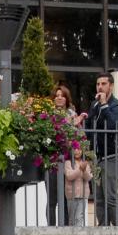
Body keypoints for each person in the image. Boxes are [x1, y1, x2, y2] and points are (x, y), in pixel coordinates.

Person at [84, 72, 118, 226]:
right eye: (98, 84)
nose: (100, 87)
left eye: (103, 84)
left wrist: (104, 105)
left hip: (113, 156)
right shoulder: (94, 105)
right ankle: (103, 228)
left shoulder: (117, 106)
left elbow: (113, 125)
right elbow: (89, 128)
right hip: (97, 157)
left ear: (111, 86)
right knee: (99, 198)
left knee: (110, 197)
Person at [45, 84, 77, 226]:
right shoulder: (47, 114)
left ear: (66, 99)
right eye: (57, 95)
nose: (59, 98)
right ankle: (51, 227)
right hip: (52, 160)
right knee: (52, 199)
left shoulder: (72, 115)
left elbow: (78, 137)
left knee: (65, 197)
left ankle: (65, 226)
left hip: (68, 160)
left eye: (62, 95)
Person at [63, 146, 93, 228]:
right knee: (72, 218)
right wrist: (79, 169)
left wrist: (84, 170)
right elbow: (69, 176)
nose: (77, 151)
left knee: (79, 217)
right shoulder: (68, 163)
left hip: (83, 195)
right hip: (71, 195)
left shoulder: (85, 163)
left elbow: (88, 178)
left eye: (79, 149)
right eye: (75, 149)